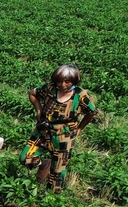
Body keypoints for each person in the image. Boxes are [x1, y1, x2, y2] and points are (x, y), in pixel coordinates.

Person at [22, 64, 97, 193]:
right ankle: (45, 164)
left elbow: (91, 112)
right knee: (25, 157)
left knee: (58, 171)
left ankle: (49, 199)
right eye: (59, 81)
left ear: (74, 81)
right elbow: (32, 93)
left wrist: (80, 128)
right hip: (43, 130)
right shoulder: (50, 89)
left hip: (64, 135)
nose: (62, 84)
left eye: (67, 81)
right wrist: (39, 110)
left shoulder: (80, 95)